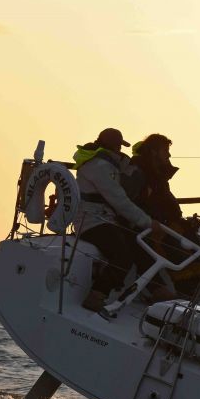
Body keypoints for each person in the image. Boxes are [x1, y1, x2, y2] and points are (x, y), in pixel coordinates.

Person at [73, 127, 164, 311]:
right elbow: (119, 200)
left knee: (138, 244)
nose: (120, 151)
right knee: (123, 255)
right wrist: (148, 222)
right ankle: (97, 295)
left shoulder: (106, 165)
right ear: (115, 146)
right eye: (119, 147)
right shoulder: (98, 167)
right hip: (91, 223)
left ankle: (158, 291)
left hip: (104, 220)